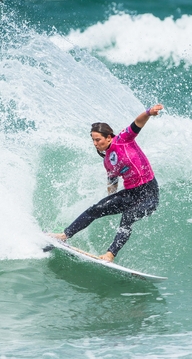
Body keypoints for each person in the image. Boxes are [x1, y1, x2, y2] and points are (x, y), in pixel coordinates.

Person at [50, 104, 164, 262]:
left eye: (98, 139)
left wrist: (149, 112)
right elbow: (112, 183)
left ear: (108, 137)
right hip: (130, 193)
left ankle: (110, 254)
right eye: (93, 140)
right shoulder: (108, 161)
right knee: (96, 209)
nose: (95, 143)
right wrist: (110, 202)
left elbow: (138, 122)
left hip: (149, 193)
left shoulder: (123, 139)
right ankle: (64, 235)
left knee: (128, 216)